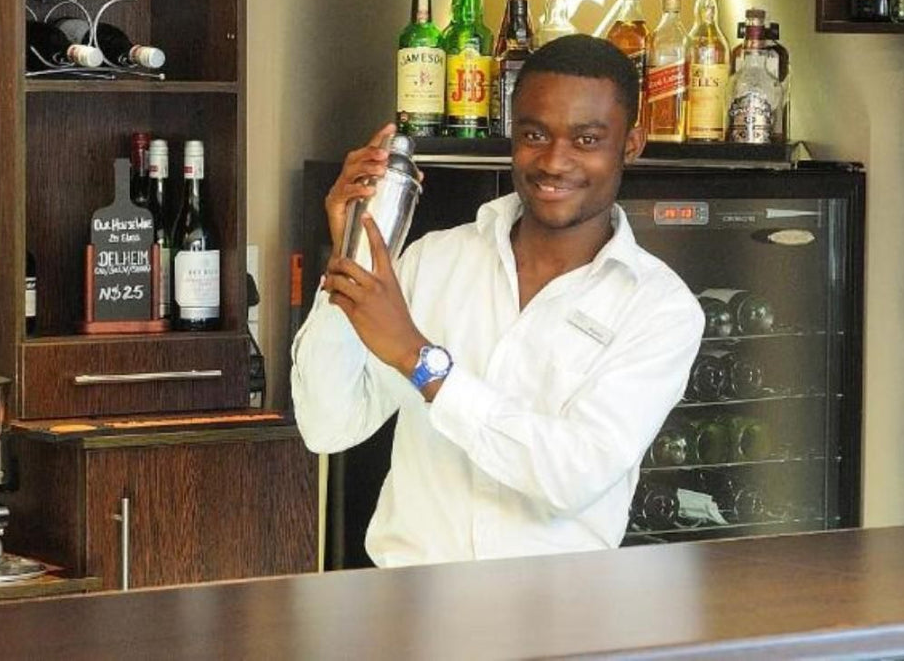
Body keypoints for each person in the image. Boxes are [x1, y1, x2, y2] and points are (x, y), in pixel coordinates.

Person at [291, 35, 704, 567]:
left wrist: (422, 362)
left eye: (586, 140)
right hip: (409, 613)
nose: (554, 161)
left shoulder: (659, 309)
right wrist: (354, 259)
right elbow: (329, 425)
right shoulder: (434, 260)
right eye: (535, 134)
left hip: (558, 624)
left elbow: (572, 474)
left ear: (630, 144)